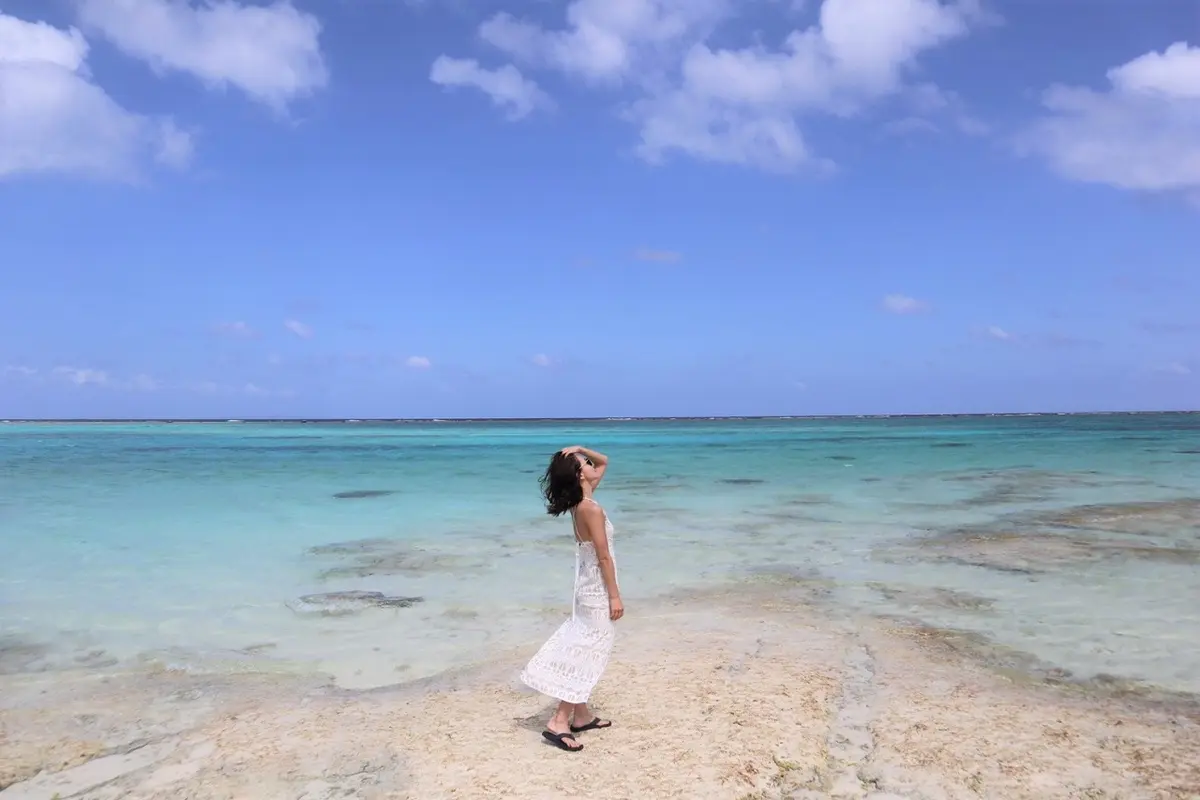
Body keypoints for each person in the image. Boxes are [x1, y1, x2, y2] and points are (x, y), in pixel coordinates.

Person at [519, 445, 623, 752]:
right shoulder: (591, 508)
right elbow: (604, 556)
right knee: (587, 653)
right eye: (585, 463)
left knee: (584, 647)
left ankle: (581, 716)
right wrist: (615, 596)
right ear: (580, 474)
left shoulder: (583, 503)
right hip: (596, 592)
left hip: (586, 588)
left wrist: (579, 449)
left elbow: (606, 461)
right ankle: (559, 721)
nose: (593, 465)